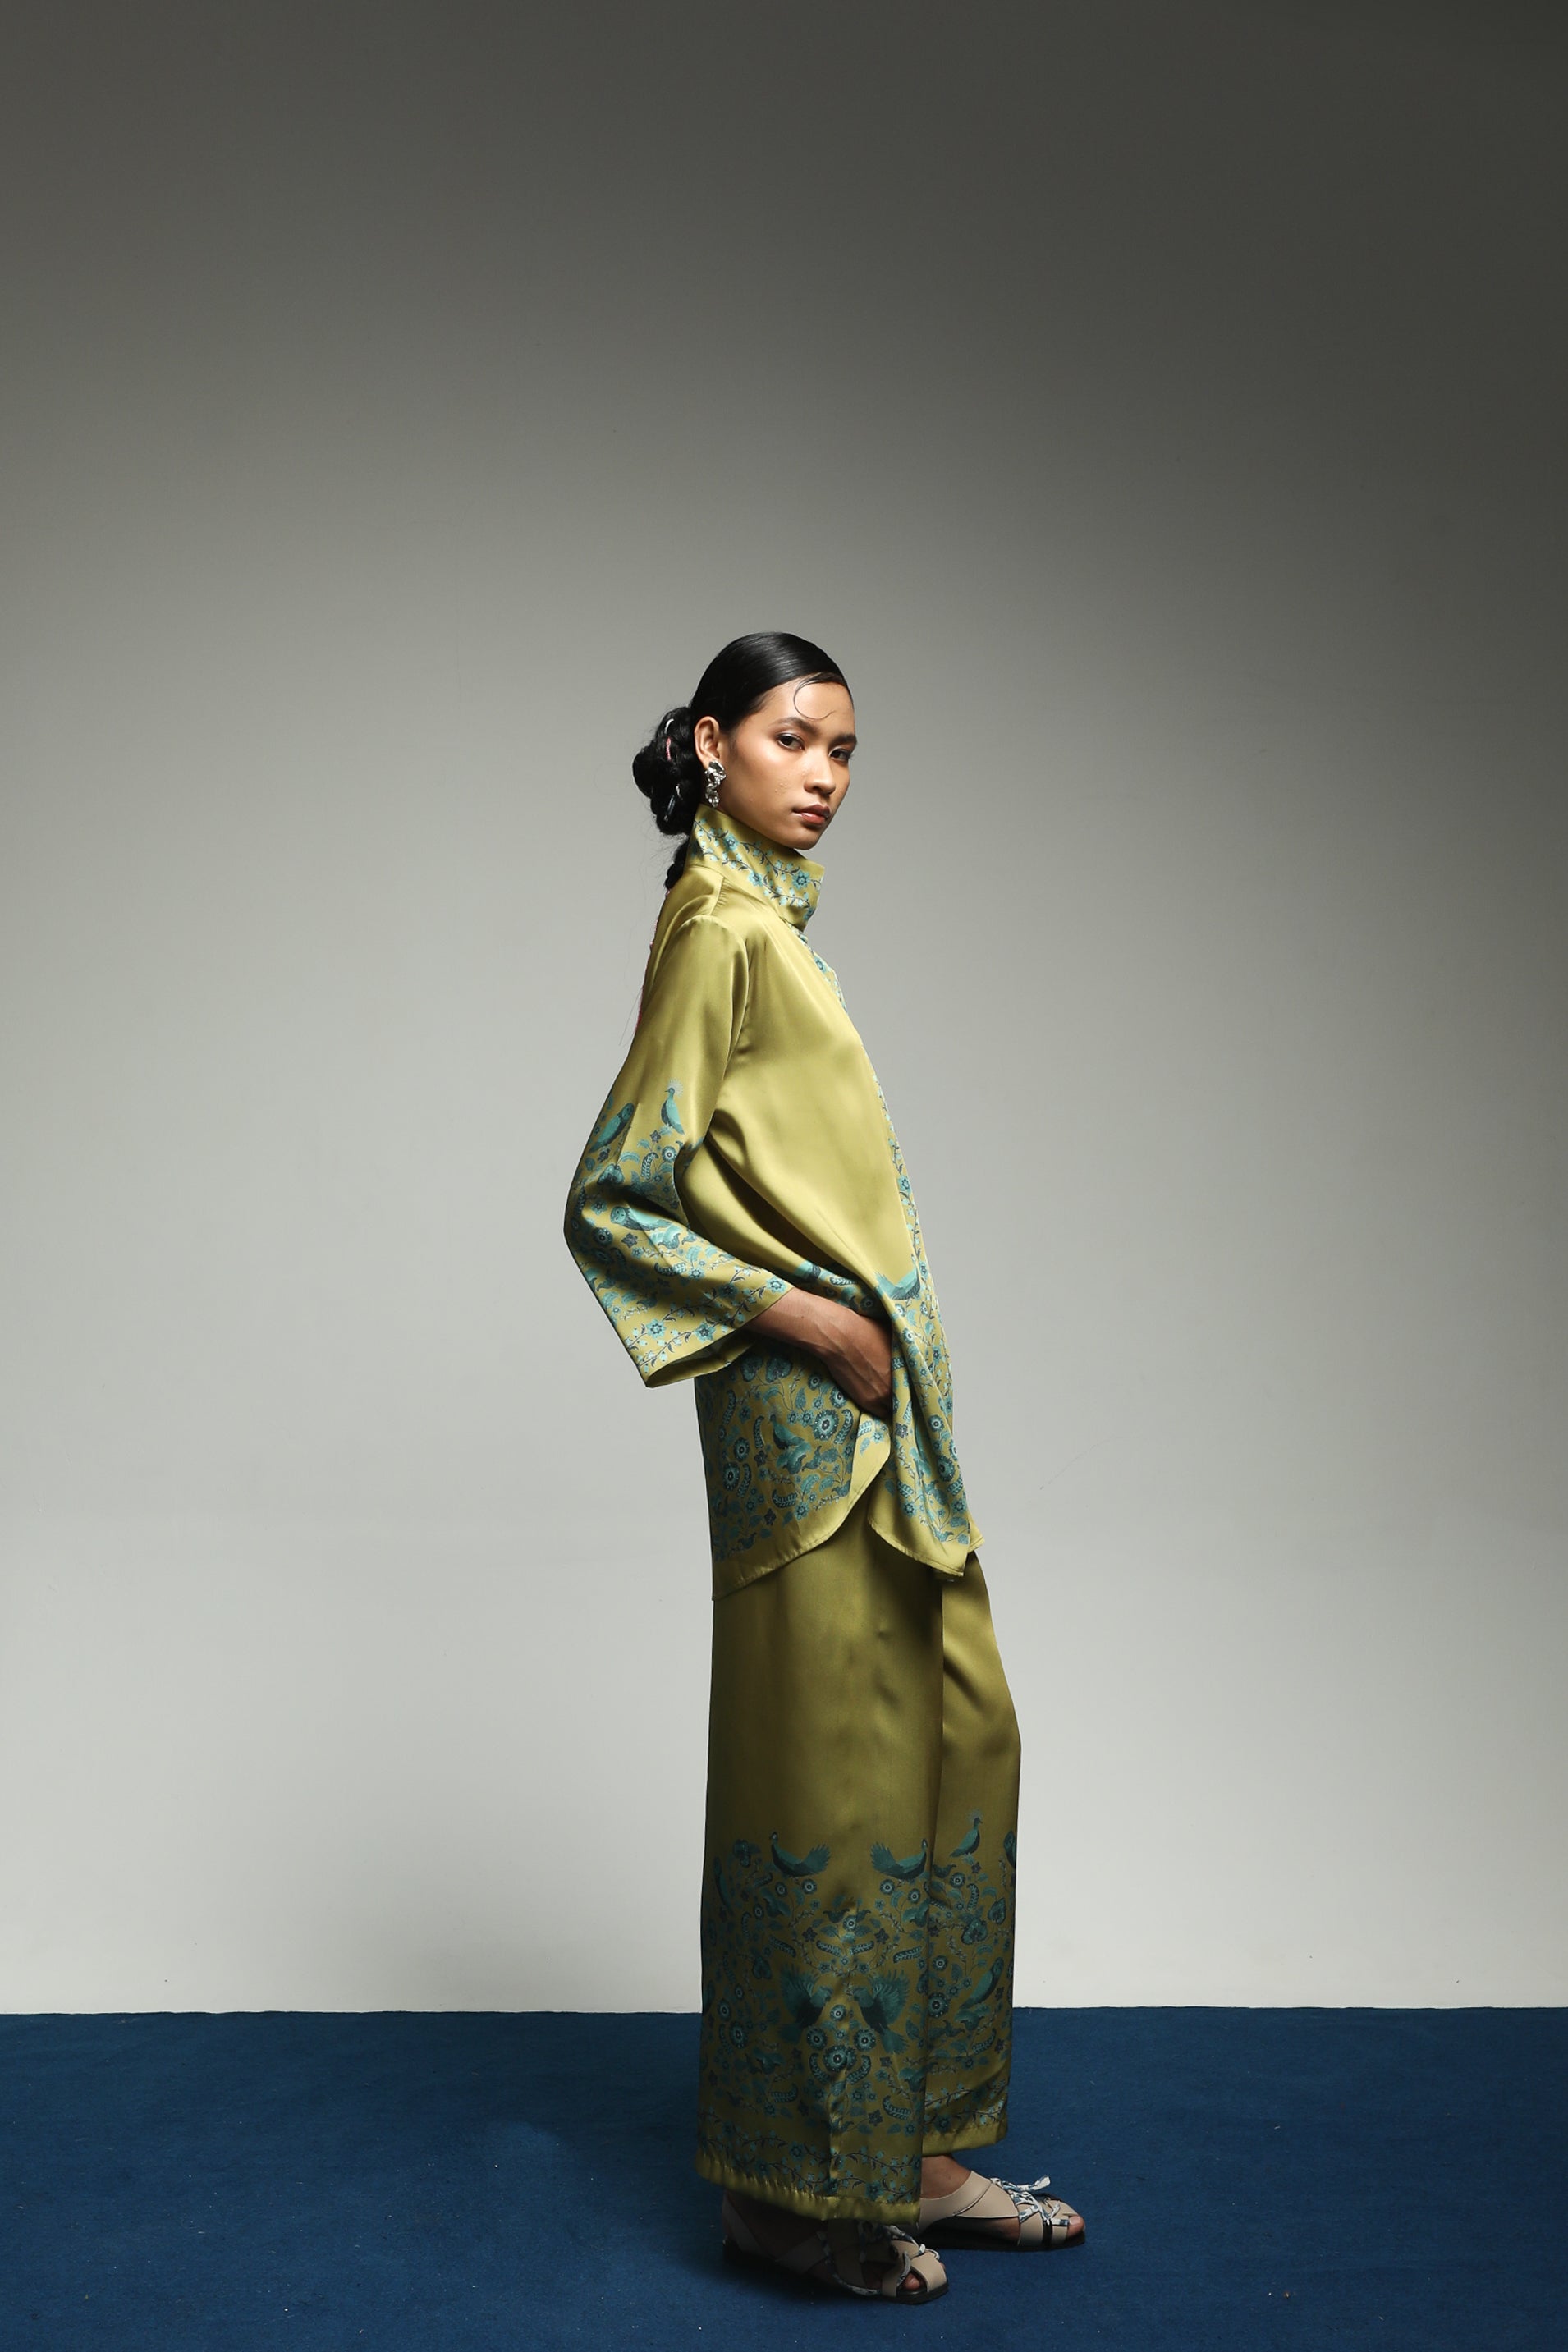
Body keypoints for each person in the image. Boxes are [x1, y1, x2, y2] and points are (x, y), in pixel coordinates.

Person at [562, 632, 1084, 2304]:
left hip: (882, 1422)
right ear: (714, 744)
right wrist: (808, 1320)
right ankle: (788, 2198)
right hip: (807, 1429)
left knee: (953, 1742)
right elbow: (614, 1195)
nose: (826, 775)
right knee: (831, 1794)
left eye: (845, 749)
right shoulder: (718, 931)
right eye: (795, 739)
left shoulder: (769, 927)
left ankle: (909, 2153)